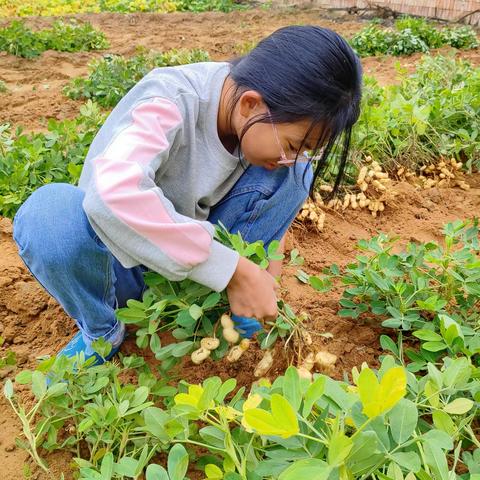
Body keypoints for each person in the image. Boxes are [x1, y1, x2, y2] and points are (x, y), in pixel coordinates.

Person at [12, 25, 362, 364]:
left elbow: (275, 230)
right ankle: (103, 330)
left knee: (297, 175)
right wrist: (235, 271)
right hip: (116, 264)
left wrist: (265, 282)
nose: (292, 157)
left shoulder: (260, 130)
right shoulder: (170, 99)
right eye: (292, 145)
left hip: (189, 275)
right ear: (250, 105)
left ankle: (213, 307)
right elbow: (110, 195)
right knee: (47, 215)